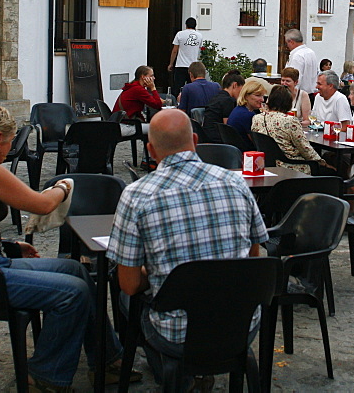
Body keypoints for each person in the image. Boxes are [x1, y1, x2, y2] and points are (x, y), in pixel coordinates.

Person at [0, 104, 131, 390]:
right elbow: (41, 204)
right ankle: (44, 375)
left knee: (75, 270)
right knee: (72, 293)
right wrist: (63, 187)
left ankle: (108, 358)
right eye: (12, 138)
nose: (11, 146)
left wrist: (7, 245)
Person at [108, 109, 268, 381]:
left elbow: (131, 284)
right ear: (194, 140)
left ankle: (165, 372)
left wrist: (161, 275)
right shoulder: (236, 182)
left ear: (151, 150)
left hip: (178, 334)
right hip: (240, 325)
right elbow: (253, 255)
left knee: (125, 294)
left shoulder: (136, 195)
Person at [251, 85, 333, 172]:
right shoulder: (290, 121)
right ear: (288, 102)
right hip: (291, 166)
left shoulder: (257, 118)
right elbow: (304, 148)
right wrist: (323, 163)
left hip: (268, 164)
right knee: (332, 171)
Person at [201, 71, 245, 142]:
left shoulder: (216, 97)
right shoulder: (228, 101)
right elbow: (227, 127)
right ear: (235, 85)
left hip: (206, 136)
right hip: (217, 139)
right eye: (242, 89)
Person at [168, 18, 203, 97]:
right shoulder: (199, 36)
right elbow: (199, 50)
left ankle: (176, 104)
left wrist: (171, 63)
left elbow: (175, 50)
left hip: (181, 65)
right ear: (195, 26)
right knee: (193, 88)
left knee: (177, 87)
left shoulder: (180, 34)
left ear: (186, 25)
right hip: (193, 66)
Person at [284, 29, 318, 94]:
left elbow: (295, 78)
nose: (287, 46)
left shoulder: (297, 56)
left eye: (287, 43)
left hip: (300, 95)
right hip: (311, 93)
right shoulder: (311, 52)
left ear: (291, 42)